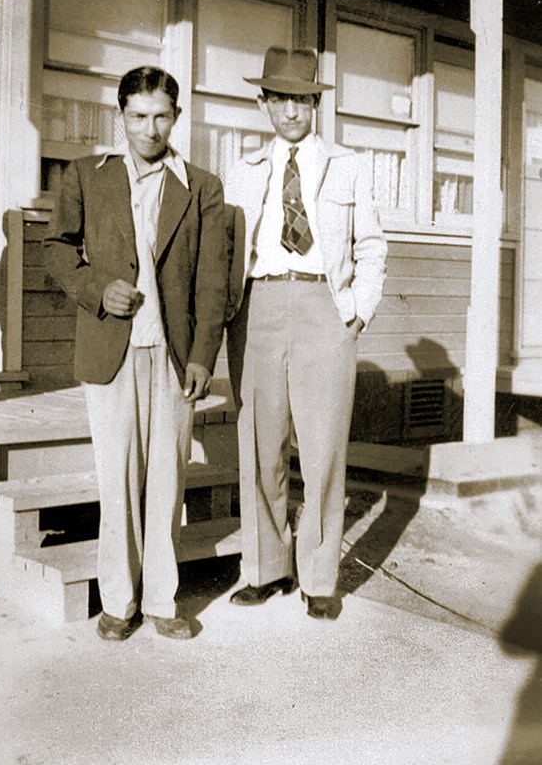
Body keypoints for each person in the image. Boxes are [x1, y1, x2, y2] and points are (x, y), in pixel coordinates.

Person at [43, 66, 227, 641]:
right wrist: (97, 289)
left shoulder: (201, 186)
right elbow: (55, 251)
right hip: (110, 351)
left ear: (176, 118)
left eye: (162, 116)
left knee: (167, 480)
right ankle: (118, 602)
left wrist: (202, 354)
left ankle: (163, 602)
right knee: (117, 478)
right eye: (139, 115)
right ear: (120, 115)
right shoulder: (85, 176)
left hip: (173, 355)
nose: (150, 128)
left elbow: (212, 282)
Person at [225, 47, 387, 619]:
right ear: (263, 103)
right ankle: (266, 568)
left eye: (302, 99)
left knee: (322, 449)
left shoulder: (348, 164)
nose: (291, 110)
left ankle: (320, 577)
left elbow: (370, 246)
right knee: (259, 444)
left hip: (325, 305)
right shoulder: (242, 169)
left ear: (314, 104)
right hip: (257, 304)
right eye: (280, 98)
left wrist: (358, 314)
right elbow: (226, 249)